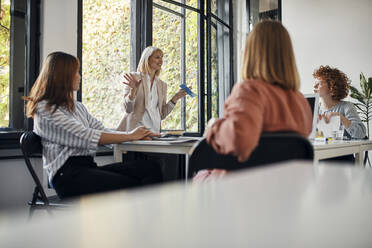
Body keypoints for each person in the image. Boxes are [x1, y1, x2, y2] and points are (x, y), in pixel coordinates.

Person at [24, 51, 163, 199]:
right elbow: (85, 135)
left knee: (150, 168)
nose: (79, 76)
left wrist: (137, 137)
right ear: (62, 76)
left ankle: (146, 218)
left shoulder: (78, 107)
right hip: (67, 177)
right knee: (131, 185)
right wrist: (130, 135)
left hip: (87, 168)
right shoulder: (44, 109)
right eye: (76, 72)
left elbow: (101, 130)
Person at [201, 20, 312, 174]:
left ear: (250, 53)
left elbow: (239, 139)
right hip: (285, 191)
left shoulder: (250, 90)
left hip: (237, 189)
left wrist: (214, 126)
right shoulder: (301, 101)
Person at [117, 46, 189, 132]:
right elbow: (128, 109)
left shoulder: (162, 85)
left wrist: (175, 98)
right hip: (135, 131)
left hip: (154, 133)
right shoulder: (134, 77)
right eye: (157, 57)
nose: (161, 61)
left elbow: (161, 115)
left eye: (162, 57)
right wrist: (133, 91)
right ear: (147, 59)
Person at [313, 65, 366, 139]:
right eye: (315, 82)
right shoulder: (315, 108)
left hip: (343, 150)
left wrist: (341, 117)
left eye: (320, 83)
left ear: (332, 87)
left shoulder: (347, 107)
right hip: (322, 149)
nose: (314, 86)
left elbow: (361, 134)